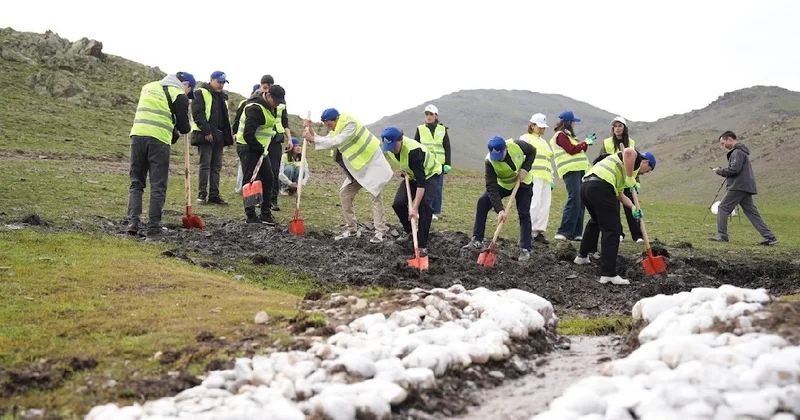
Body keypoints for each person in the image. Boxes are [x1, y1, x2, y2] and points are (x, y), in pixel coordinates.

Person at [303, 108, 392, 243]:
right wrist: (311, 132)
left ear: (335, 119)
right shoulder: (337, 128)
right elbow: (327, 139)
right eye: (327, 126)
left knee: (375, 196)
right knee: (344, 194)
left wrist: (313, 138)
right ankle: (352, 230)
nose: (329, 128)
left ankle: (380, 232)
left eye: (329, 125)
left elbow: (336, 141)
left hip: (372, 165)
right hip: (358, 168)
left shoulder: (350, 124)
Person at [126, 71, 194, 239]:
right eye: (189, 91)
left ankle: (133, 222)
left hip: (137, 136)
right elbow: (184, 127)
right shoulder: (179, 95)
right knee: (158, 186)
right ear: (186, 85)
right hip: (158, 142)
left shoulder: (148, 87)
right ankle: (153, 228)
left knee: (136, 183)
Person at [574, 148, 656, 285]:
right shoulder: (636, 160)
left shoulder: (621, 171)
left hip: (587, 186)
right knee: (612, 230)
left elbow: (619, 194)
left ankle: (582, 256)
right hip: (601, 186)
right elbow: (629, 151)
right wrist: (631, 177)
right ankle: (608, 274)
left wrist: (633, 207)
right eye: (647, 170)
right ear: (646, 162)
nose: (644, 173)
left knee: (596, 221)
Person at [462, 136, 536, 262]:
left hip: (523, 183)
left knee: (523, 213)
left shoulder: (517, 145)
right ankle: (477, 239)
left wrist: (525, 169)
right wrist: (500, 210)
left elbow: (532, 151)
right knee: (483, 202)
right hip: (504, 184)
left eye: (500, 155)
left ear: (506, 149)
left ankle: (525, 249)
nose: (498, 159)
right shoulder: (489, 162)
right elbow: (491, 187)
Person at [381, 126, 442, 257]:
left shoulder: (414, 151)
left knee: (424, 206)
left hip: (430, 175)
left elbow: (422, 182)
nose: (391, 149)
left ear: (400, 139)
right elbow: (403, 161)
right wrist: (404, 170)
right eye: (388, 146)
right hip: (412, 175)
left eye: (393, 145)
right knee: (398, 204)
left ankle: (422, 244)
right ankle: (410, 232)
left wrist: (414, 208)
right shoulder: (390, 150)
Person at [710, 131, 778, 245]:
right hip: (745, 186)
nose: (723, 146)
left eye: (723, 143)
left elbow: (734, 170)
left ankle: (722, 236)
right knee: (751, 212)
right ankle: (770, 238)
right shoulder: (741, 152)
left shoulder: (737, 152)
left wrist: (719, 171)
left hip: (738, 186)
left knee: (723, 208)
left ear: (730, 139)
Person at [234, 85, 287, 225]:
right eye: (275, 101)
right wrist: (259, 149)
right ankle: (250, 215)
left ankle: (265, 213)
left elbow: (266, 126)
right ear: (268, 95)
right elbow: (248, 134)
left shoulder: (271, 107)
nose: (277, 104)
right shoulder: (255, 108)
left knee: (269, 178)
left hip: (261, 149)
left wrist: (272, 135)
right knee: (249, 180)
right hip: (248, 147)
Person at [551, 111, 595, 241]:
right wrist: (584, 143)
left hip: (580, 170)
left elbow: (577, 150)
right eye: (573, 122)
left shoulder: (569, 136)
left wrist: (585, 144)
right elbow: (571, 149)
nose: (574, 124)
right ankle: (564, 231)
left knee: (581, 200)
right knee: (574, 198)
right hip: (570, 170)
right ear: (569, 122)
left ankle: (576, 232)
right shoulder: (560, 136)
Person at [191, 71, 233, 205]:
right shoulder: (200, 93)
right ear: (211, 80)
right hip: (206, 136)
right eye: (219, 82)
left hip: (220, 136)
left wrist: (227, 135)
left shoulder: (223, 98)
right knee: (205, 165)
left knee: (216, 166)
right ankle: (202, 194)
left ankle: (214, 195)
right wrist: (207, 132)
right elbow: (198, 113)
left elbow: (225, 118)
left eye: (223, 83)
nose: (221, 85)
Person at [602, 116, 643, 243]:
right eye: (615, 126)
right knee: (614, 207)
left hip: (627, 179)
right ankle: (619, 233)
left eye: (620, 126)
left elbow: (636, 163)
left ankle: (637, 235)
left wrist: (636, 181)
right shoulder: (607, 143)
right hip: (613, 179)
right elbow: (602, 158)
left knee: (631, 207)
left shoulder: (631, 143)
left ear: (624, 128)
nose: (617, 128)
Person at [257, 74, 292, 212]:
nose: (267, 89)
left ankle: (273, 200)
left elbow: (285, 122)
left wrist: (289, 139)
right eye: (264, 86)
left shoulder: (280, 102)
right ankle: (260, 199)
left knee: (274, 170)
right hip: (261, 139)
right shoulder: (257, 98)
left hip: (275, 139)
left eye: (269, 86)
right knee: (260, 170)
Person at [519, 113, 554, 244]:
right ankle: (528, 231)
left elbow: (547, 161)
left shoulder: (544, 143)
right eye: (540, 127)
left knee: (545, 205)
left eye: (544, 127)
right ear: (532, 125)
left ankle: (539, 232)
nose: (542, 129)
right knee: (534, 204)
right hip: (533, 176)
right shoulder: (525, 138)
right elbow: (521, 156)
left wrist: (551, 177)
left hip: (545, 178)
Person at [414, 104, 451, 220]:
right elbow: (415, 145)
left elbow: (447, 147)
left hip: (439, 165)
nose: (429, 117)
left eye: (431, 114)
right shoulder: (420, 129)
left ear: (436, 116)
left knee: (437, 188)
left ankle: (433, 211)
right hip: (425, 164)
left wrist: (448, 164)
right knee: (423, 187)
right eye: (427, 114)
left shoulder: (442, 129)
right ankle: (421, 209)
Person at [233, 84, 261, 194]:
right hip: (243, 140)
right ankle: (241, 188)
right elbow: (237, 119)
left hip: (256, 139)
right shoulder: (244, 103)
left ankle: (252, 189)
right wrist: (234, 132)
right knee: (243, 165)